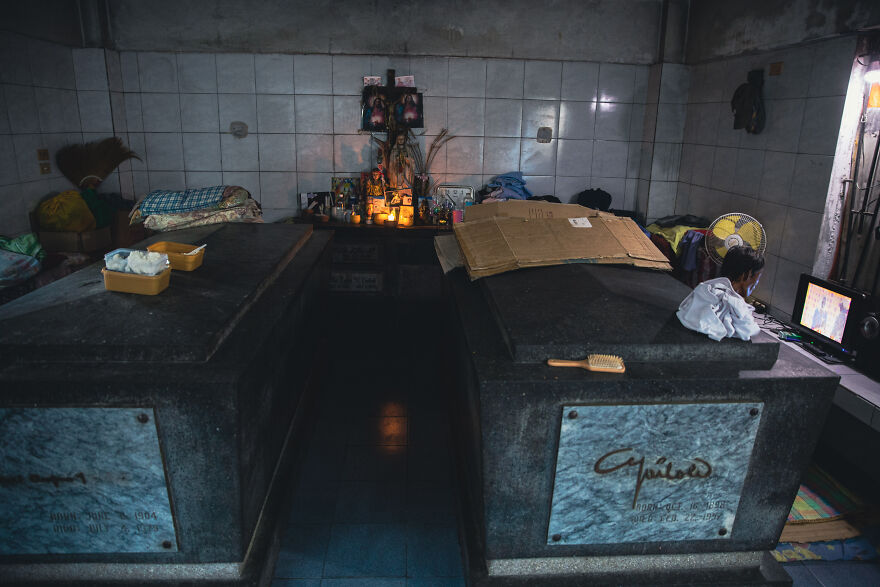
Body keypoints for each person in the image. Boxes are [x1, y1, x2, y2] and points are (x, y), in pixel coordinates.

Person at [676, 245, 765, 341]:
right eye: (758, 277)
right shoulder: (734, 307)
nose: (756, 283)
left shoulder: (705, 289)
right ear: (746, 275)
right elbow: (748, 330)